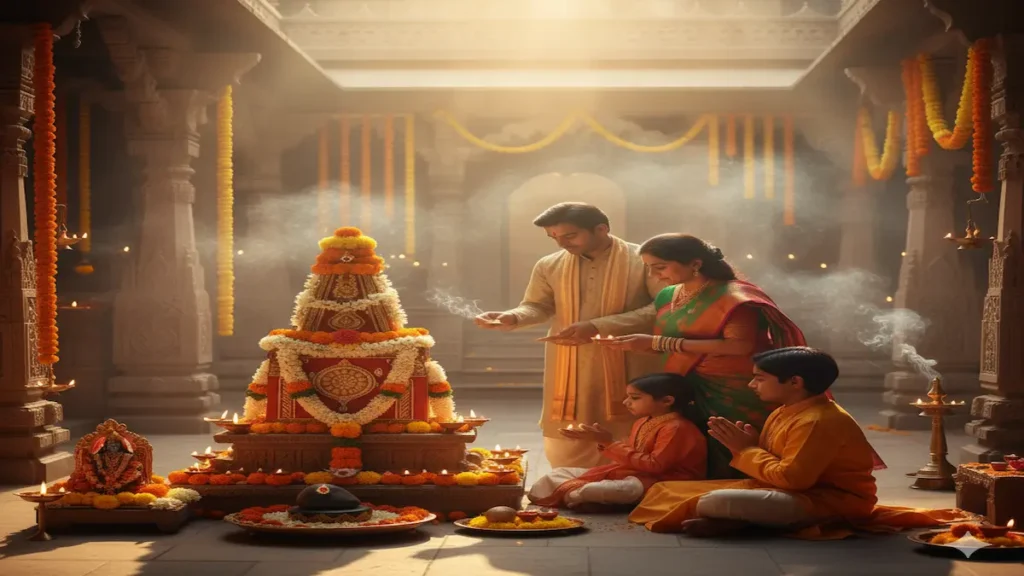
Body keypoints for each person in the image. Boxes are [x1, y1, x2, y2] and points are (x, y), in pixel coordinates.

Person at [595, 234, 883, 477]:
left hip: (733, 385)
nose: (654, 275)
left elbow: (739, 346)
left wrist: (661, 343)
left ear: (695, 263)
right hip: (686, 380)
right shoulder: (667, 295)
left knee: (729, 438)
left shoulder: (734, 298)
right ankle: (696, 491)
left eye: (660, 267)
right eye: (649, 268)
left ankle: (742, 489)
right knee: (693, 438)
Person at [629, 347, 969, 538]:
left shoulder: (820, 420)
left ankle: (747, 521)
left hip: (830, 501)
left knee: (716, 500)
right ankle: (746, 521)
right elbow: (776, 468)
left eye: (759, 379)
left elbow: (794, 479)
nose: (752, 386)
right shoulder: (786, 410)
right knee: (669, 490)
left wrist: (745, 451)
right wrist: (750, 446)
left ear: (794, 382)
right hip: (790, 493)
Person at [474, 203, 664, 468]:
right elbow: (538, 305)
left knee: (627, 420)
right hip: (570, 360)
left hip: (631, 358)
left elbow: (663, 306)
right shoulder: (549, 265)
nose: (561, 244)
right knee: (570, 427)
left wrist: (599, 326)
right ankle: (571, 483)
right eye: (554, 238)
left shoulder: (643, 260)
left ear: (601, 229)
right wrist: (514, 316)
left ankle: (628, 481)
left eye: (569, 236)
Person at [528, 373, 707, 509]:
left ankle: (582, 497)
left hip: (664, 483)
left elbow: (654, 466)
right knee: (558, 472)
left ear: (667, 401)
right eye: (628, 397)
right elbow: (631, 455)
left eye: (635, 398)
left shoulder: (677, 428)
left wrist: (610, 443)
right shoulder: (643, 421)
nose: (626, 402)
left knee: (592, 491)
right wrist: (602, 441)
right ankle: (579, 497)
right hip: (638, 476)